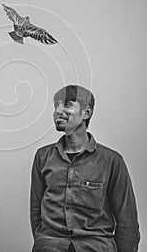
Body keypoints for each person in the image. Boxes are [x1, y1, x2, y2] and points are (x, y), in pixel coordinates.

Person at [30, 85, 140, 252]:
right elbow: (35, 210)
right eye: (56, 105)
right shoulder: (43, 156)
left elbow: (127, 221)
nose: (58, 111)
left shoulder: (111, 161)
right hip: (50, 246)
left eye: (67, 104)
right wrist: (43, 242)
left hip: (96, 247)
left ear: (86, 113)